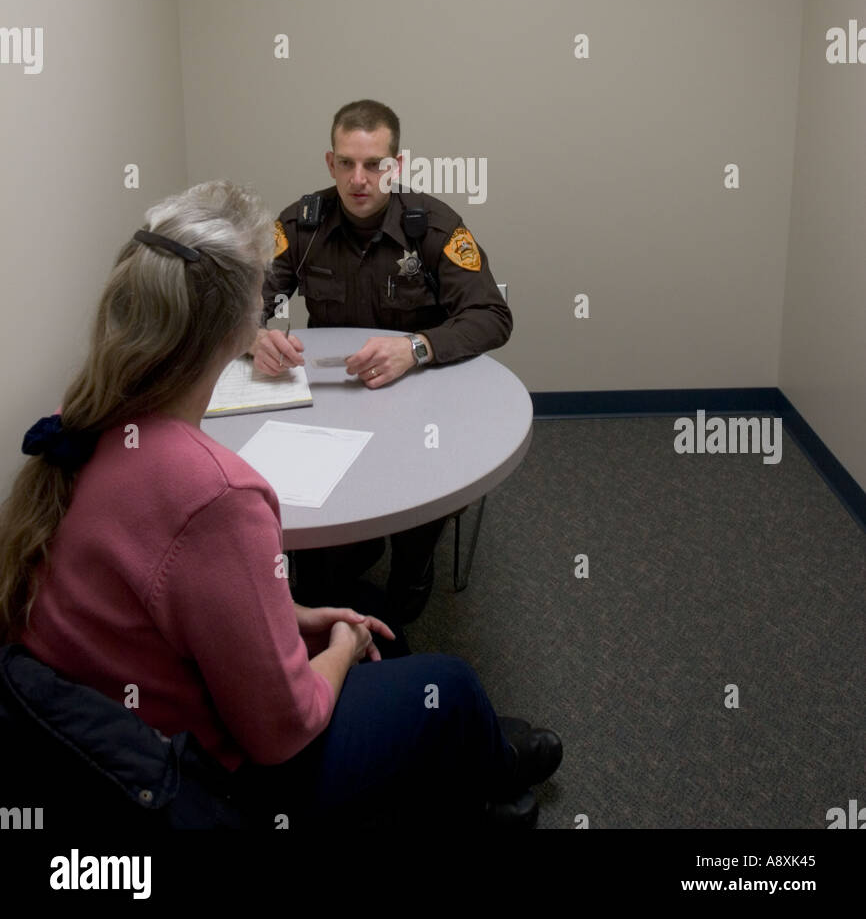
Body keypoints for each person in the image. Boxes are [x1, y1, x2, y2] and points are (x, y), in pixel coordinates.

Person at [0, 181, 561, 829]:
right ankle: (477, 773)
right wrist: (343, 648)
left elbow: (171, 587)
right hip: (205, 777)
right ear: (244, 322)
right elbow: (280, 732)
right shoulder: (218, 493)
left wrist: (290, 612)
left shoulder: (82, 421)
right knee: (445, 680)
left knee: (375, 613)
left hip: (102, 724)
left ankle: (453, 759)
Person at [252, 99, 513, 624]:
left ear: (395, 165)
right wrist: (253, 334)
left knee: (416, 514)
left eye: (374, 164)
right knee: (310, 528)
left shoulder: (434, 228)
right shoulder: (300, 226)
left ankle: (408, 588)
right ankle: (323, 603)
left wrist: (416, 347)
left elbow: (492, 315)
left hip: (420, 403)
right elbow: (247, 298)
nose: (359, 179)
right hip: (331, 402)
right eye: (347, 163)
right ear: (330, 163)